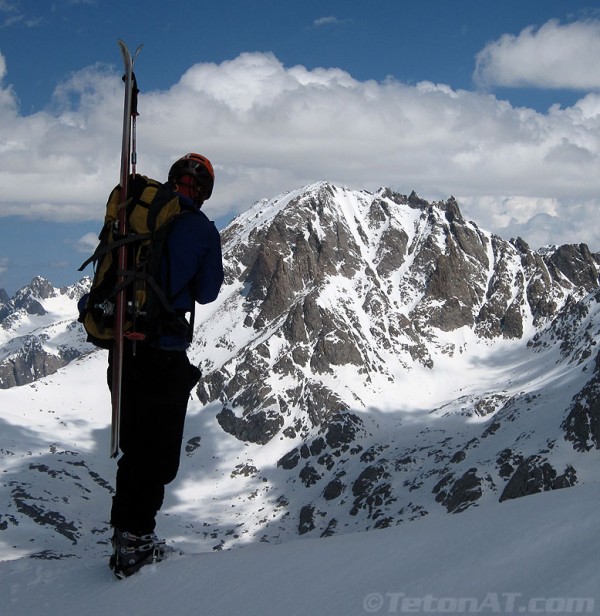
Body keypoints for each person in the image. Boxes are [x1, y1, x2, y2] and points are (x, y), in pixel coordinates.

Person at [108, 153, 224, 578]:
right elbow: (208, 292)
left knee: (135, 449)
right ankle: (136, 545)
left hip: (122, 348)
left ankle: (125, 538)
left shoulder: (137, 216)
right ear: (205, 192)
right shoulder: (200, 229)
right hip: (163, 352)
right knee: (158, 458)